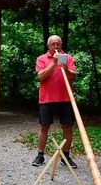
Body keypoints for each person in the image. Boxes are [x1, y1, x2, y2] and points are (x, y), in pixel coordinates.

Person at [32, 35, 78, 168]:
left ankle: (66, 156)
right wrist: (53, 63)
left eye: (58, 44)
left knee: (68, 127)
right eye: (53, 44)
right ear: (48, 46)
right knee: (44, 126)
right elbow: (40, 76)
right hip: (47, 98)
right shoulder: (41, 59)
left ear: (61, 44)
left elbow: (73, 76)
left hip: (65, 98)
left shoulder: (68, 58)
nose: (56, 46)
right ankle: (40, 155)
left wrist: (64, 67)